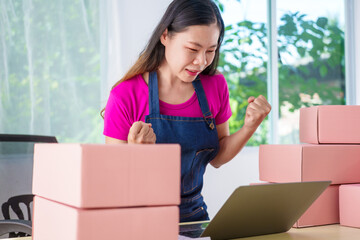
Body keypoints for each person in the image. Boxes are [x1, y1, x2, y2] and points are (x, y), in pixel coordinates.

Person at [102, 0, 271, 222]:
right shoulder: (125, 95)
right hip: (139, 220)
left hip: (195, 217)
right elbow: (113, 185)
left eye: (211, 50)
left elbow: (218, 158)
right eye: (192, 49)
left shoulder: (215, 85)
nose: (201, 61)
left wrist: (250, 126)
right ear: (165, 36)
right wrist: (138, 154)